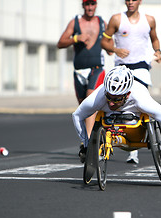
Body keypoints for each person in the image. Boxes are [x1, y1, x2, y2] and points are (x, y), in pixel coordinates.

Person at [100, 0, 161, 163]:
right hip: (121, 68)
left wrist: (158, 52)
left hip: (141, 67)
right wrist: (115, 49)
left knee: (140, 103)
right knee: (117, 104)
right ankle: (110, 139)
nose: (130, 2)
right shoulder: (116, 19)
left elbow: (154, 38)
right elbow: (104, 41)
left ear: (140, 1)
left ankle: (134, 149)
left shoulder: (149, 20)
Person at [72, 66, 161, 165]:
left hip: (136, 130)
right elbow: (77, 115)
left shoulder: (141, 99)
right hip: (111, 123)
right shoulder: (99, 96)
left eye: (116, 99)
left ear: (128, 95)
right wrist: (86, 145)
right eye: (108, 97)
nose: (111, 103)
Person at [57, 0, 111, 146]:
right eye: (87, 4)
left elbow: (110, 46)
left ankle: (89, 144)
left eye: (92, 4)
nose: (90, 8)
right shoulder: (75, 22)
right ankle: (94, 137)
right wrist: (75, 38)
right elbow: (60, 43)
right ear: (83, 6)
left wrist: (111, 47)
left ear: (96, 5)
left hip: (97, 69)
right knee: (83, 108)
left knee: (90, 99)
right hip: (79, 71)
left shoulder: (102, 23)